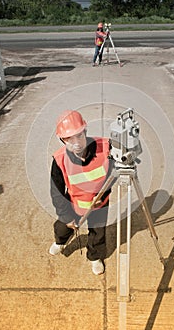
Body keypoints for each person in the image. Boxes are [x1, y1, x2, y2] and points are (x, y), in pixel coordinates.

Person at [49, 110, 113, 275]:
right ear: (62, 139)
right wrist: (66, 215)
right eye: (68, 139)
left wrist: (104, 196)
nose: (75, 142)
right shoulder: (59, 160)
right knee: (63, 227)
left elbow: (114, 175)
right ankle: (61, 241)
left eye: (78, 135)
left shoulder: (105, 148)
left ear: (85, 131)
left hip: (99, 205)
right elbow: (56, 191)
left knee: (97, 233)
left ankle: (94, 257)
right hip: (74, 203)